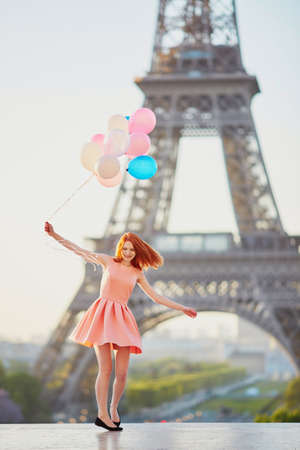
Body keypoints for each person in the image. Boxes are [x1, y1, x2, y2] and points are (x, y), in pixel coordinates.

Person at [44, 221, 197, 431]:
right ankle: (102, 414)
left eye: (131, 249)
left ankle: (113, 409)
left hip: (122, 319)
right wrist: (54, 234)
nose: (127, 252)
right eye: (125, 248)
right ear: (120, 248)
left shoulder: (138, 273)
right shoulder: (108, 261)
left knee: (122, 373)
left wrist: (182, 308)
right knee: (105, 369)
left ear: (137, 251)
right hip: (102, 315)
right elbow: (78, 250)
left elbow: (156, 297)